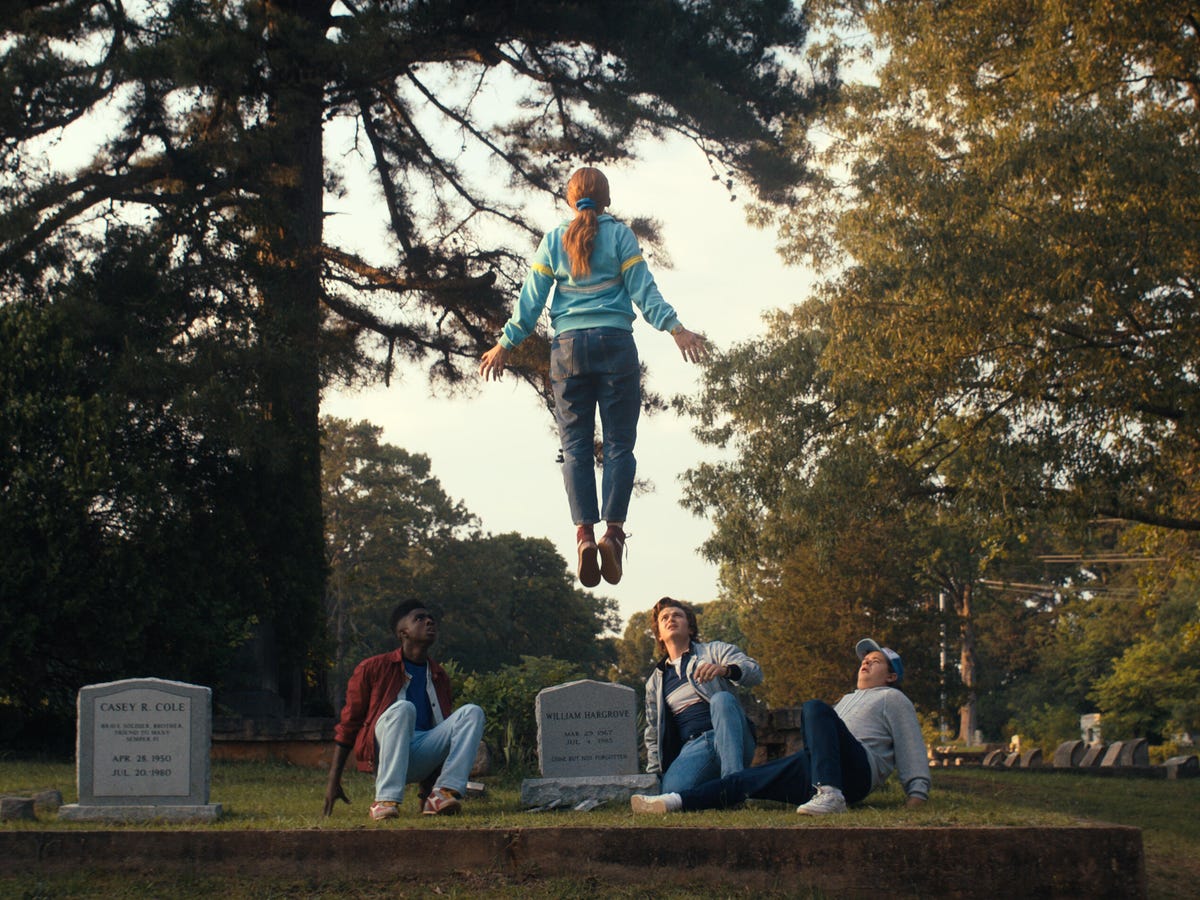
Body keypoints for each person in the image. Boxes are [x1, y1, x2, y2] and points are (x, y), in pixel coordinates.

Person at [478, 166, 708, 587]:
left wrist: (505, 344)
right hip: (615, 345)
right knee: (620, 444)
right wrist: (676, 328)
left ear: (570, 200)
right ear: (607, 199)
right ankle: (613, 535)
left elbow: (530, 304)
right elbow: (643, 291)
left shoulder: (553, 241)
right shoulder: (620, 236)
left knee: (575, 447)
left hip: (568, 351)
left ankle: (584, 535)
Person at [631, 637, 930, 816]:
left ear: (891, 676)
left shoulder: (893, 698)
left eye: (875, 661)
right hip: (817, 769)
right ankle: (673, 802)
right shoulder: (846, 700)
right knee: (744, 781)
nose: (865, 663)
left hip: (856, 772)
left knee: (813, 708)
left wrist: (916, 795)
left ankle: (830, 794)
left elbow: (910, 745)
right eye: (864, 659)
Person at [323, 599, 485, 820]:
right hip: (385, 753)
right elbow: (349, 724)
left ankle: (441, 794)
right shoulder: (372, 668)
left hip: (420, 756)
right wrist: (334, 780)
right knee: (404, 709)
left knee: (472, 712)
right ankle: (385, 800)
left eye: (431, 619)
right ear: (403, 633)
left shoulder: (439, 676)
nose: (429, 622)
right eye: (419, 618)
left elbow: (438, 729)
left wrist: (424, 792)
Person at [643, 597, 762, 793]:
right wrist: (654, 776)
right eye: (664, 618)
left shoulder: (714, 651)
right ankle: (717, 789)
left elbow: (755, 672)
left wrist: (724, 670)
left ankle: (734, 786)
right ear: (660, 636)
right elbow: (653, 734)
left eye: (677, 615)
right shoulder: (655, 683)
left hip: (732, 736)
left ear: (690, 628)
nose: (670, 619)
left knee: (721, 699)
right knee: (672, 792)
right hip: (693, 748)